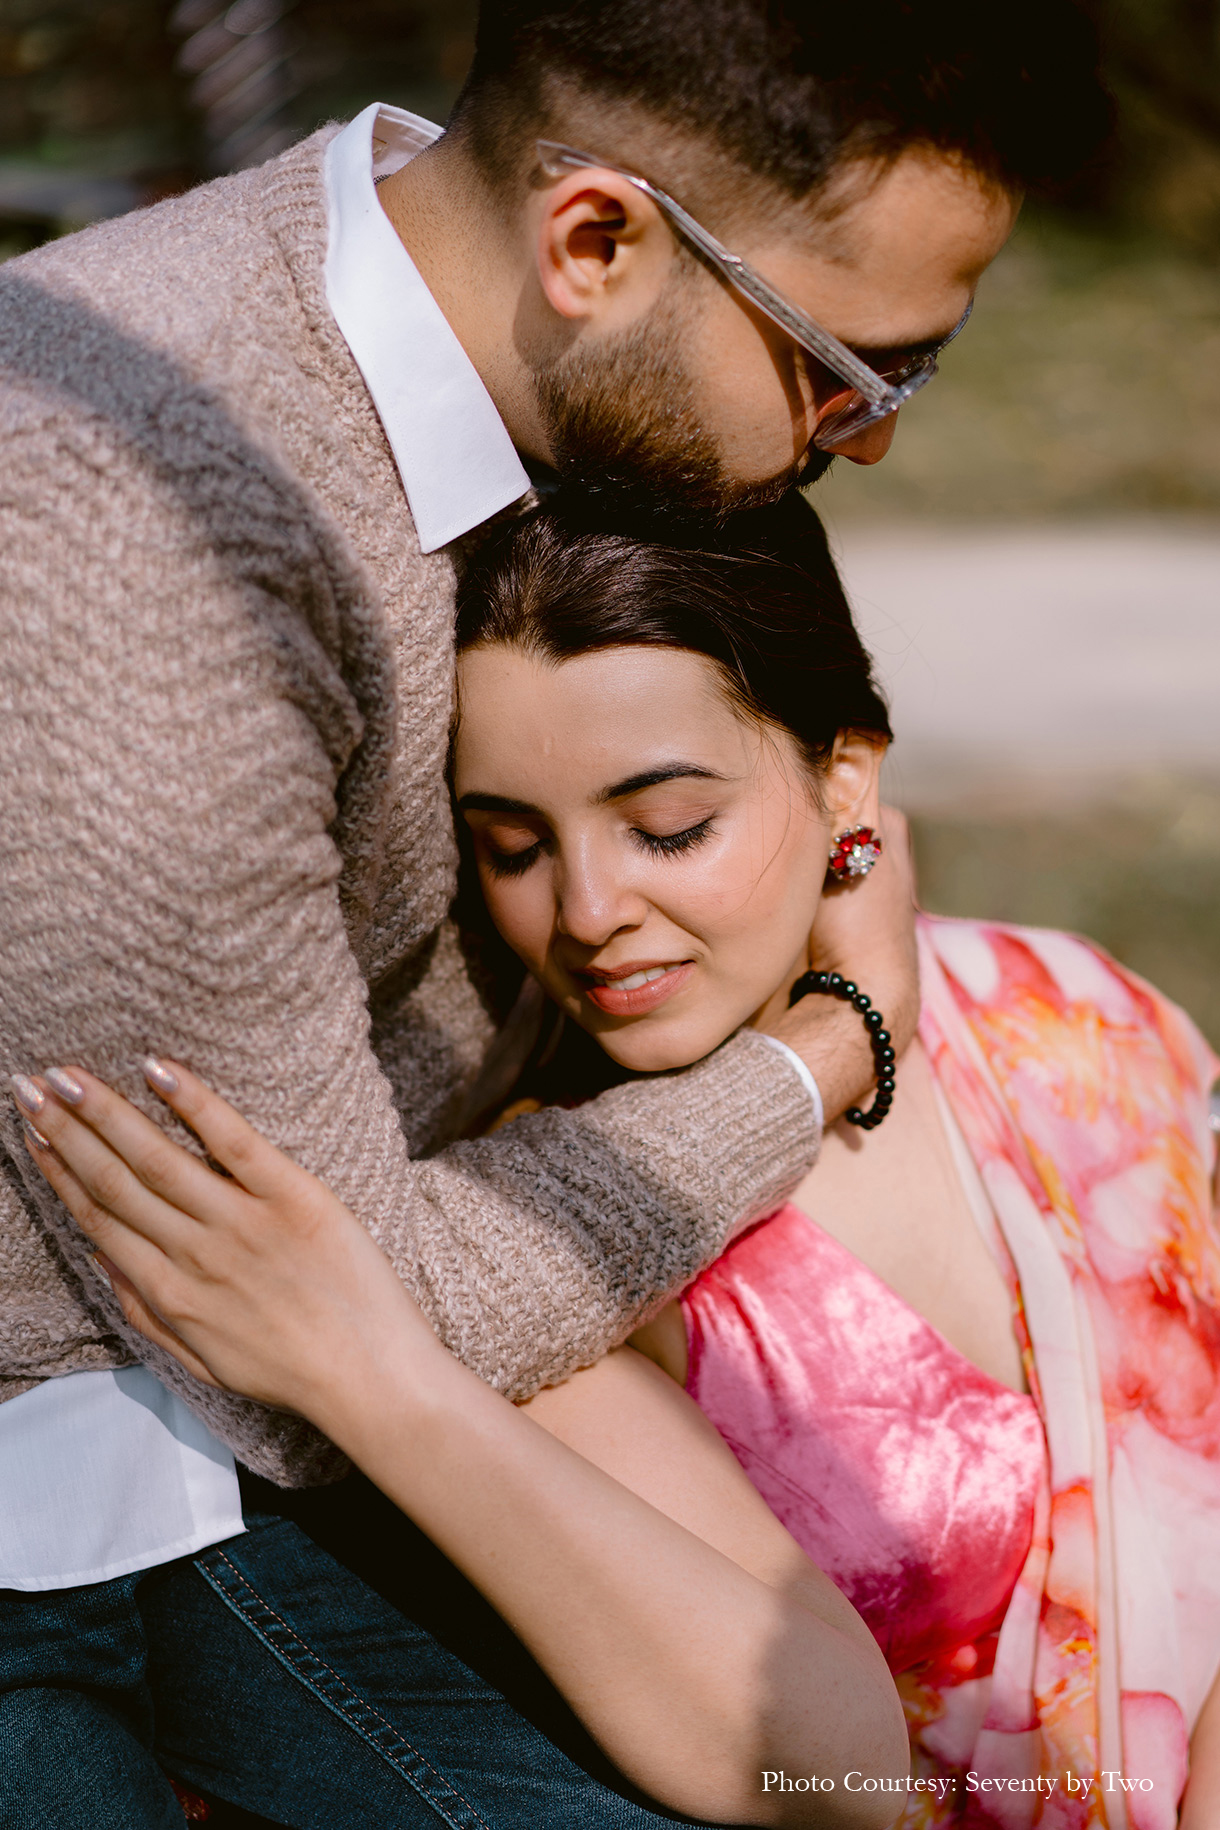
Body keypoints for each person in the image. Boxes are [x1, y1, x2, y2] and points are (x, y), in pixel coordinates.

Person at [0, 2, 1110, 1821]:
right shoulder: (132, 519)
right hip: (81, 1514)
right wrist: (832, 1045)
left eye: (916, 367)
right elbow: (310, 1332)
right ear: (594, 240)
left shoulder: (475, 385)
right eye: (846, 369)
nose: (871, 439)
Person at [17, 497, 1220, 1829]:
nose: (588, 914)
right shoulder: (553, 1234)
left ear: (846, 777)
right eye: (514, 847)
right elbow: (828, 1766)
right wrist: (381, 1376)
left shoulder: (1067, 1013)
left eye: (666, 826)